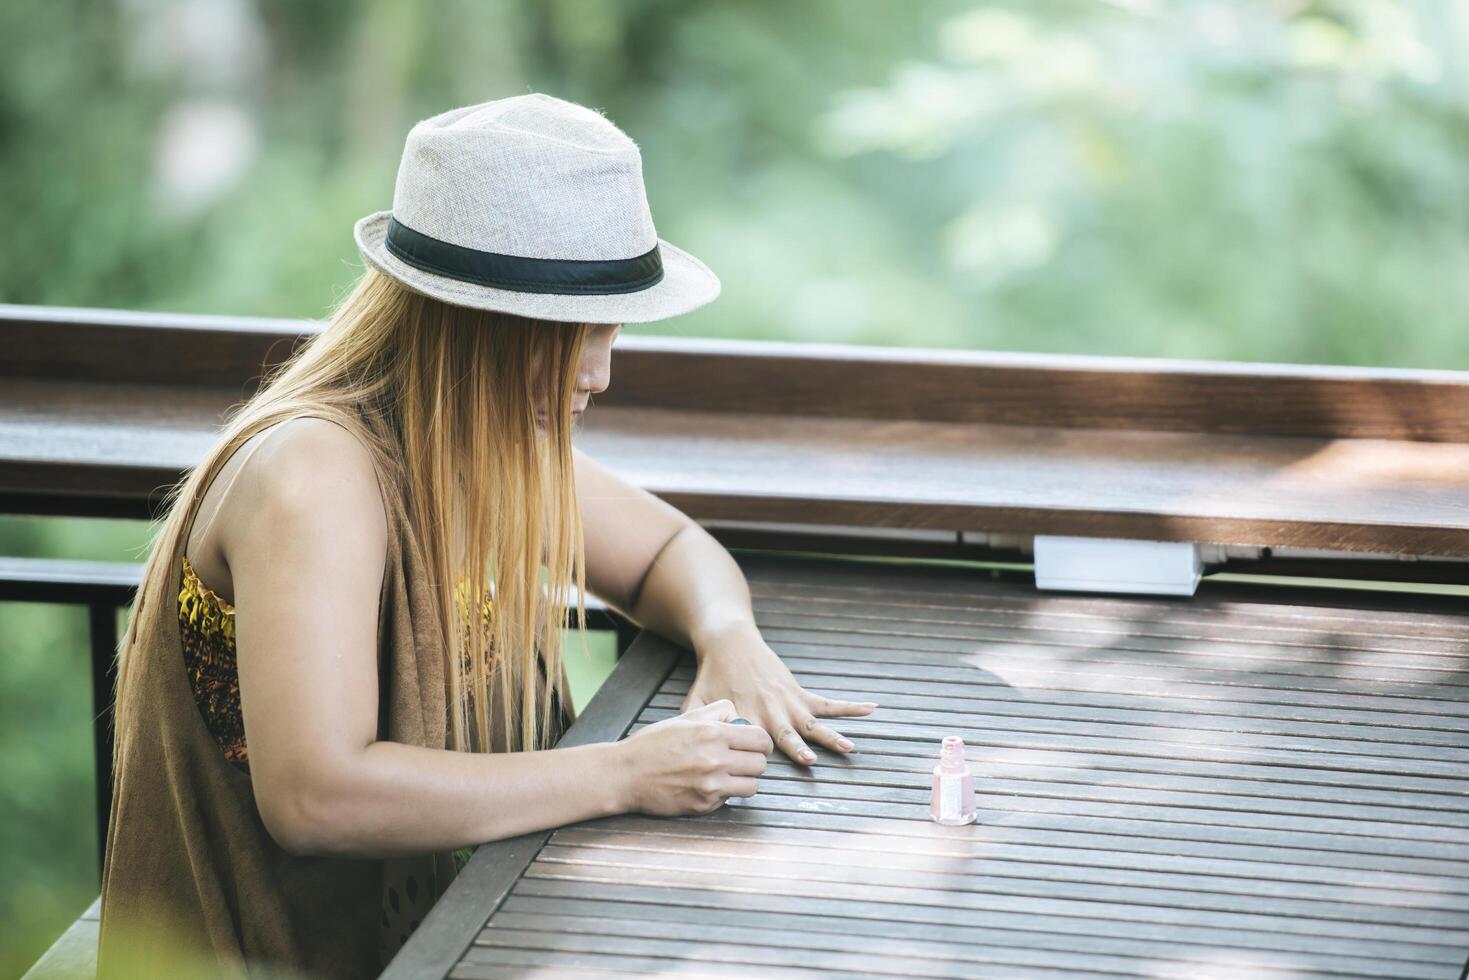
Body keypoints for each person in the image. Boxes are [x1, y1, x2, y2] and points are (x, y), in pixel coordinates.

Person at [96, 93, 878, 980]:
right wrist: (626, 773)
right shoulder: (314, 474)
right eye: (582, 334)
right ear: (489, 325)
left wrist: (727, 637)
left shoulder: (472, 445)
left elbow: (671, 552)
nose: (600, 373)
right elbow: (316, 797)